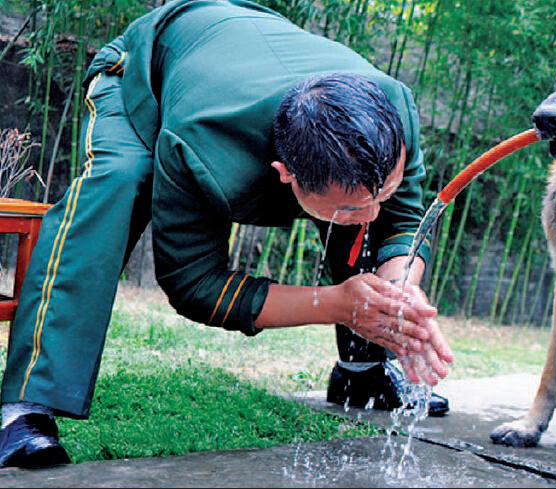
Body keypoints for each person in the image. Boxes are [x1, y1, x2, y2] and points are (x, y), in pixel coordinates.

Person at [0, 0, 454, 469]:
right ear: (285, 175)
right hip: (148, 66)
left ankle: (363, 372)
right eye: (355, 206)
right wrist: (335, 303)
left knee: (365, 212)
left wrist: (399, 295)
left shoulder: (393, 108)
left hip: (247, 48)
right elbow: (194, 284)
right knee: (117, 181)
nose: (375, 213)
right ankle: (24, 407)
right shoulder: (200, 145)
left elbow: (401, 220)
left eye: (387, 189)